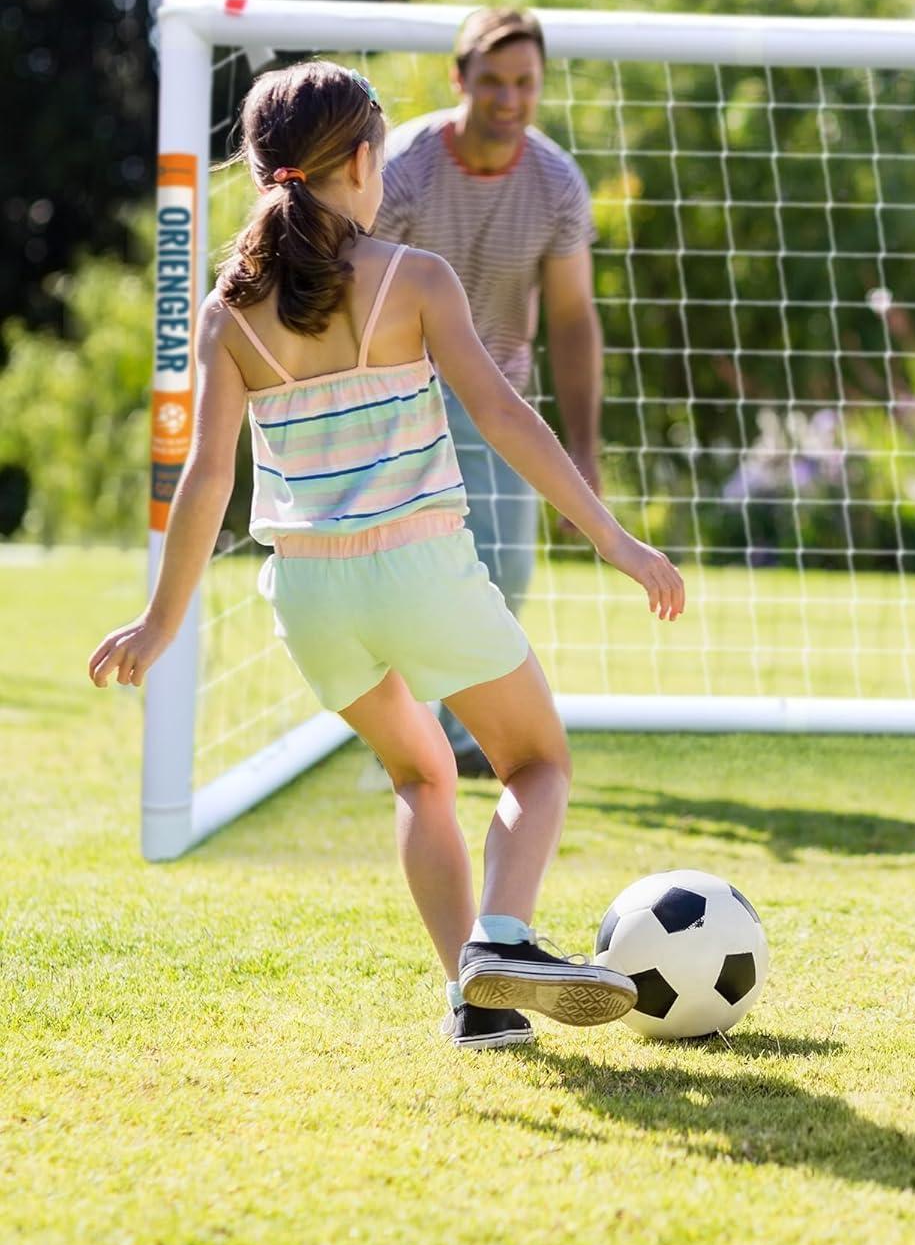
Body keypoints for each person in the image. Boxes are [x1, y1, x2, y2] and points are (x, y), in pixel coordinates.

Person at [88, 62, 686, 1049]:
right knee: (536, 762)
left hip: (310, 596)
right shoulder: (415, 279)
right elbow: (505, 416)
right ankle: (501, 939)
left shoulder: (228, 313)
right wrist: (613, 539)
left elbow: (204, 482)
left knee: (420, 780)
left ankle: (476, 1003)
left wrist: (160, 622)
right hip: (420, 570)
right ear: (365, 161)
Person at [374, 7, 600, 777]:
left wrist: (585, 452)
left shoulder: (557, 181)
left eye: (524, 83)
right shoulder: (402, 169)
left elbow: (571, 318)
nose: (509, 99)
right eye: (493, 81)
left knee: (505, 571)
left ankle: (456, 735)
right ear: (459, 78)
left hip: (498, 402)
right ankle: (420, 741)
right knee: (401, 570)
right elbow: (359, 294)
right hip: (397, 397)